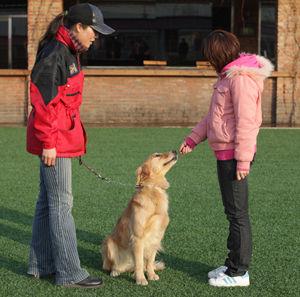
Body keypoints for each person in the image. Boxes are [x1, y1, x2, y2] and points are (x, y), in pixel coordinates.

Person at [26, 3, 115, 288]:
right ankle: (69, 273)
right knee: (61, 203)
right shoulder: (56, 52)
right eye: (93, 31)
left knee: (47, 201)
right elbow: (43, 103)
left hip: (59, 138)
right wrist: (49, 143)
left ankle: (40, 266)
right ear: (78, 27)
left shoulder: (68, 51)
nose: (96, 37)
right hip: (54, 141)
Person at [179, 30, 273, 287]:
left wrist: (243, 161)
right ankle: (232, 263)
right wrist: (193, 139)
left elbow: (247, 122)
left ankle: (239, 272)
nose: (208, 62)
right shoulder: (228, 77)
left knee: (238, 215)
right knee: (232, 212)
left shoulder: (239, 79)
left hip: (235, 156)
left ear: (216, 55)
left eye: (209, 57)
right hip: (226, 154)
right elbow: (214, 117)